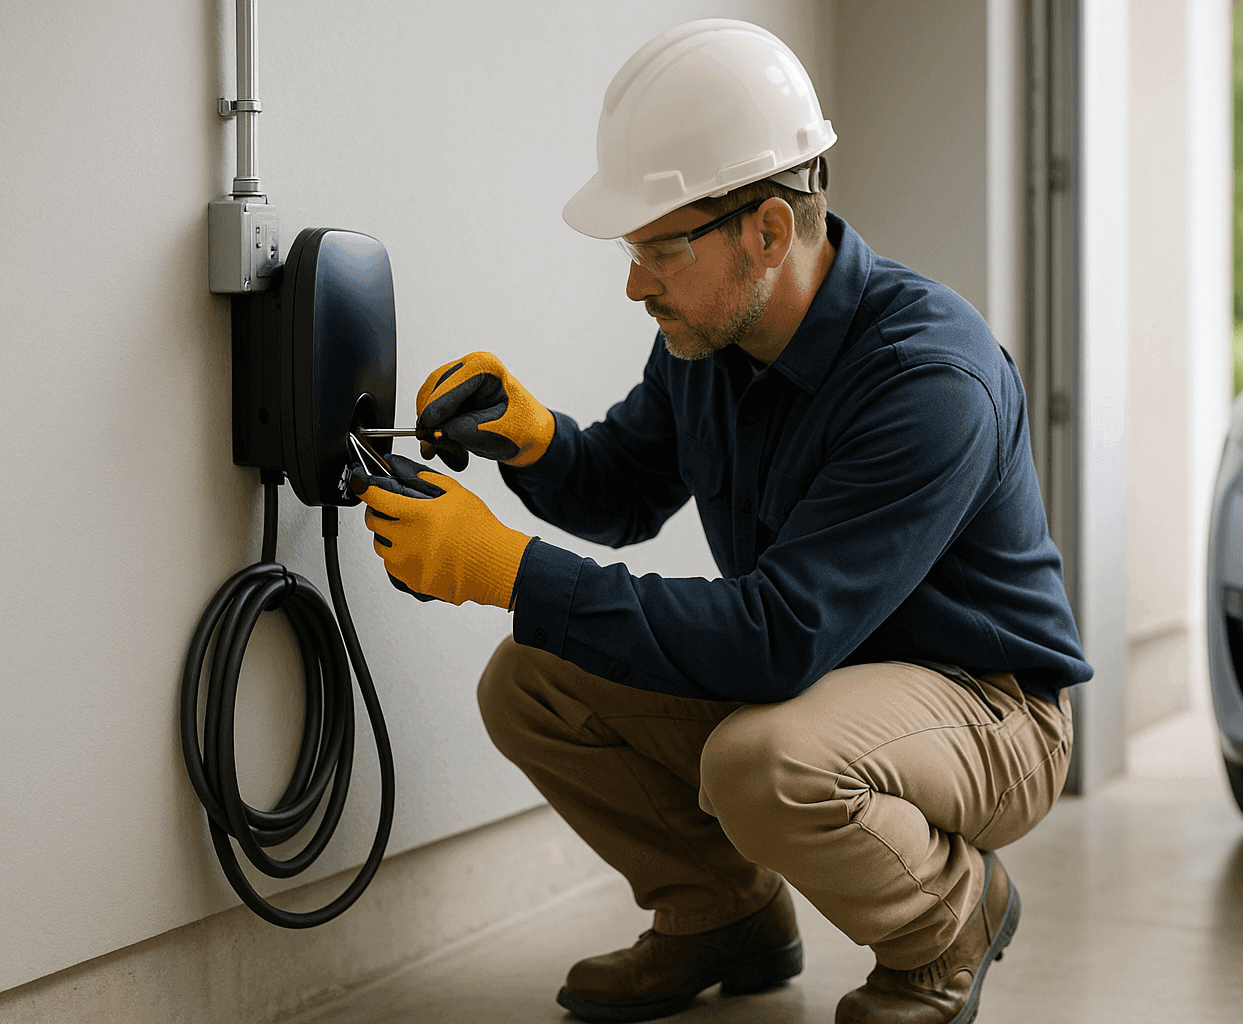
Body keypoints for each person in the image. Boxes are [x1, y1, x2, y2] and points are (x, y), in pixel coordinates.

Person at [351, 18, 1092, 1024]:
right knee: (533, 683)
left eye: (660, 248)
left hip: (989, 710)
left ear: (770, 232)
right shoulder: (711, 335)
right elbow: (620, 488)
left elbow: (776, 638)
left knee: (763, 762)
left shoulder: (928, 381)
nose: (634, 281)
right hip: (825, 675)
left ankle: (948, 920)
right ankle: (721, 914)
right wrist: (533, 439)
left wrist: (513, 571)